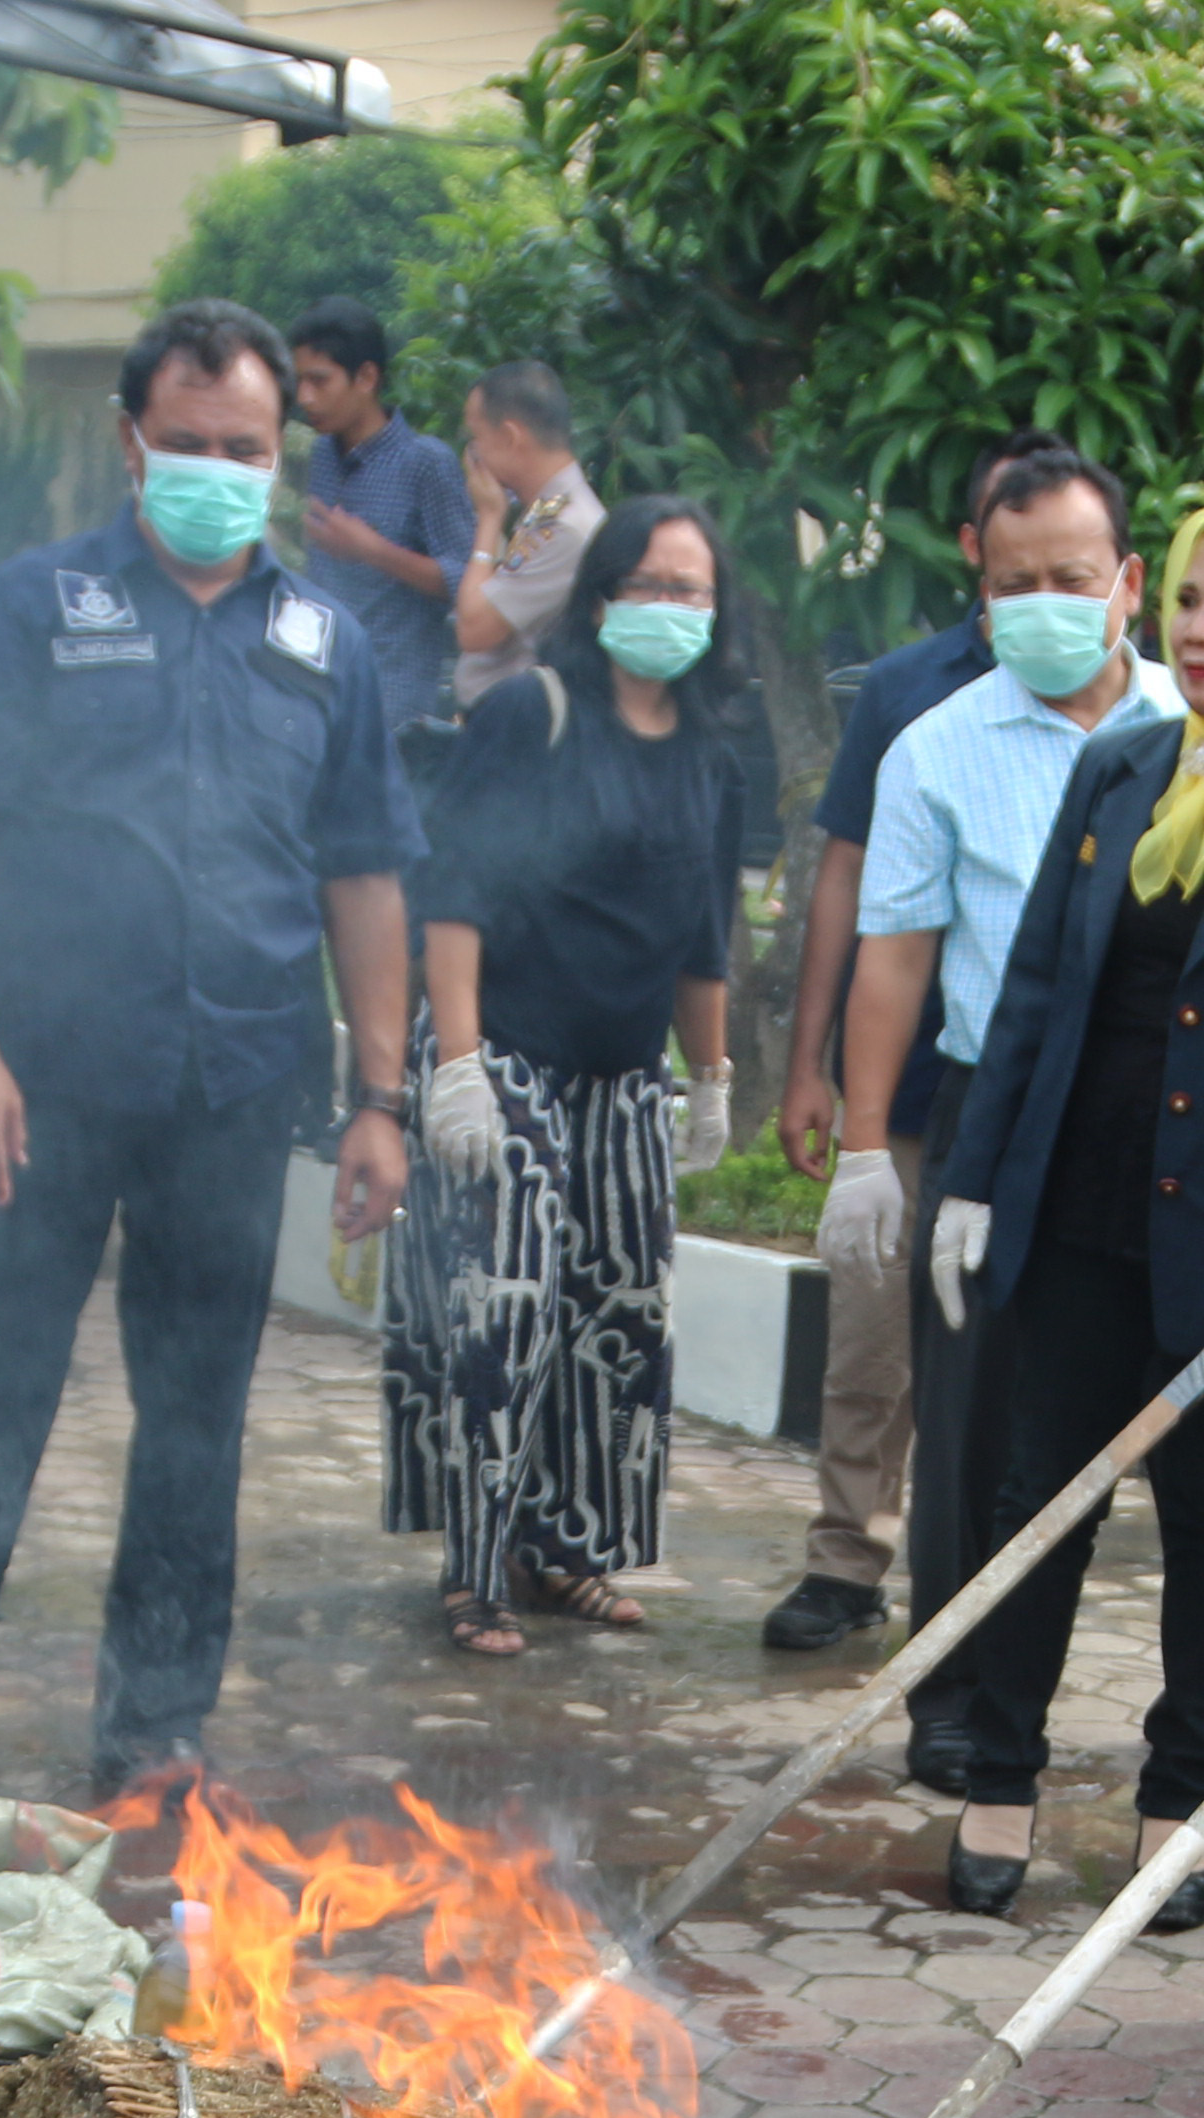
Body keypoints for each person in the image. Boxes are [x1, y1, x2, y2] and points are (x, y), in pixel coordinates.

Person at [0, 297, 415, 1811]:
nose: (218, 468)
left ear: (282, 457)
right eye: (191, 442)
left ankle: (153, 1735)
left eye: (248, 448)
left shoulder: (323, 643)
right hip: (35, 1086)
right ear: (129, 438)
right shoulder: (29, 609)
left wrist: (380, 1100)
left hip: (233, 1093)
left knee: (195, 1424)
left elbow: (363, 872)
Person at [926, 493, 1204, 1928]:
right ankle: (1000, 1772)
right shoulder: (1123, 772)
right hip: (1082, 1196)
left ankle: (1184, 1800)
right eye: (1189, 600)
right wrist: (974, 1184)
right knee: (1035, 1496)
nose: (1202, 629)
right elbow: (1036, 992)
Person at [822, 447, 1179, 1760]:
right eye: (1016, 581)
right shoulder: (936, 751)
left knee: (1200, 1436)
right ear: (981, 586)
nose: (1044, 603)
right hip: (995, 1115)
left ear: (1127, 582)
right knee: (977, 1426)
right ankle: (961, 1703)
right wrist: (868, 1148)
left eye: (1071, 579)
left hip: (1162, 1110)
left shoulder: (1199, 738)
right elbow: (896, 957)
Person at [387, 491, 741, 1651]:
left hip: (624, 1073)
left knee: (623, 1311)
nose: (668, 608)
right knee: (510, 1304)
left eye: (690, 589)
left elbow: (703, 940)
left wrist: (716, 1077)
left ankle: (569, 1550)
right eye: (647, 584)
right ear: (601, 601)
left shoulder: (709, 754)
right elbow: (456, 894)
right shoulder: (532, 713)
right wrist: (457, 1067)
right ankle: (475, 1568)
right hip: (509, 1048)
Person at [764, 433, 1055, 1664]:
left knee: (1004, 1363)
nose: (1034, 589)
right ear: (975, 548)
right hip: (916, 1087)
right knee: (875, 1332)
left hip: (1044, 1106)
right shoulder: (905, 691)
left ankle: (980, 1580)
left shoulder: (1142, 710)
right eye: (1007, 549)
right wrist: (810, 1063)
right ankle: (845, 1556)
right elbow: (846, 884)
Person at [289, 295, 467, 739]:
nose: (304, 397)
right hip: (317, 697)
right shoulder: (320, 455)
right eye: (299, 381)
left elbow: (467, 581)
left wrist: (371, 551)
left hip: (395, 707)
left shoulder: (426, 462)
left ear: (366, 377)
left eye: (319, 380)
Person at [452, 360, 594, 709]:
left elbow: (474, 630)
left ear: (511, 438)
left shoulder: (566, 528)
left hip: (520, 730)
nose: (473, 455)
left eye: (476, 439)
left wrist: (488, 518)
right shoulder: (543, 513)